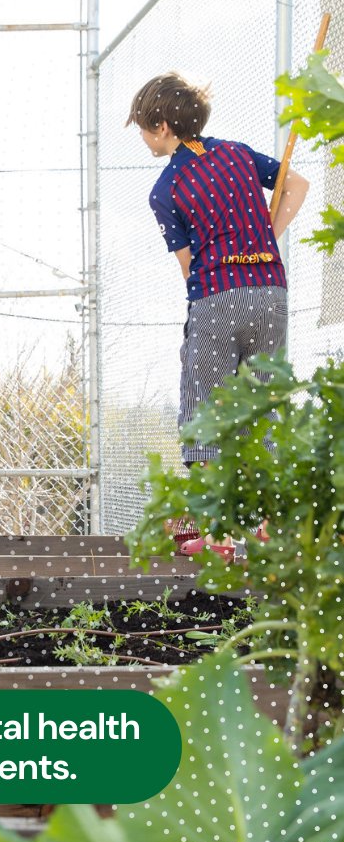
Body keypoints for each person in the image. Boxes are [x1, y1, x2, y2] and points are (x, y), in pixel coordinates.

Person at [127, 72, 308, 558]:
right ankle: (268, 523)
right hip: (270, 290)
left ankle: (218, 531)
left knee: (206, 409)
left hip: (216, 296)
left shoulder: (166, 189)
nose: (143, 137)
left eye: (143, 128)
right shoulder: (238, 153)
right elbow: (296, 183)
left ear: (162, 127)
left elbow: (189, 268)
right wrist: (269, 230)